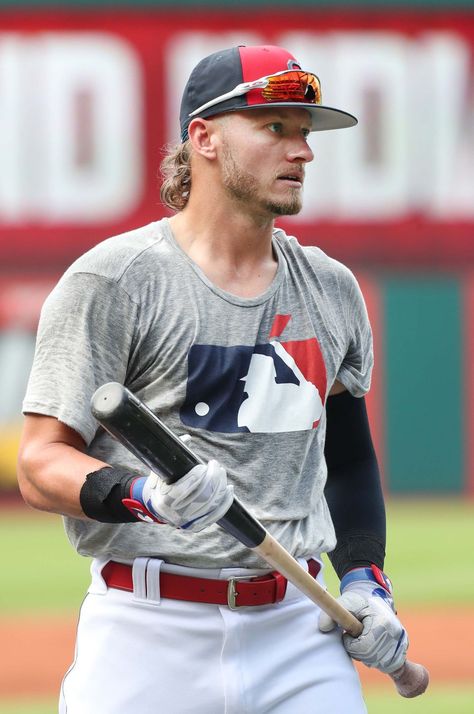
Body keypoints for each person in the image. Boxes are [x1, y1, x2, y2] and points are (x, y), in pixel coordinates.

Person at [18, 44, 409, 713]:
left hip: (299, 630)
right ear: (202, 137)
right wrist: (144, 495)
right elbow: (38, 464)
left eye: (305, 133)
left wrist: (368, 582)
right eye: (275, 128)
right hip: (146, 631)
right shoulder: (113, 280)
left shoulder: (333, 290)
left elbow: (345, 462)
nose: (302, 152)